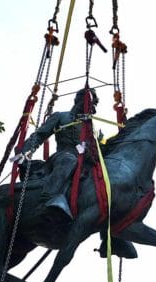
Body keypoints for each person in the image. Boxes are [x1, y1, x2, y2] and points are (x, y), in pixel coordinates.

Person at [12, 87, 137, 259]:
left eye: (92, 104)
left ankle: (111, 238)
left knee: (108, 186)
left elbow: (99, 148)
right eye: (87, 101)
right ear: (78, 100)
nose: (90, 107)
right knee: (68, 161)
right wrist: (24, 151)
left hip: (87, 162)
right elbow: (40, 135)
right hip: (65, 155)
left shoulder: (92, 127)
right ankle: (48, 202)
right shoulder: (60, 117)